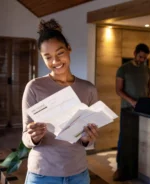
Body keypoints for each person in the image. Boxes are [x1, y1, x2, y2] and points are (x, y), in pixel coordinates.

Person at [22, 19, 99, 184]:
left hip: (78, 174)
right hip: (42, 174)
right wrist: (33, 137)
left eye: (60, 53)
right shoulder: (34, 87)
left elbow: (88, 140)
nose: (55, 61)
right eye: (48, 57)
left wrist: (88, 137)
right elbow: (26, 139)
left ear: (69, 49)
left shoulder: (88, 89)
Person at [113, 43, 150, 181]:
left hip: (143, 110)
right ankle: (120, 168)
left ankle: (138, 169)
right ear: (134, 53)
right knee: (124, 139)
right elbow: (118, 90)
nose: (142, 60)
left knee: (140, 139)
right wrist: (132, 101)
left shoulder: (149, 71)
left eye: (145, 58)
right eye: (140, 57)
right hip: (128, 109)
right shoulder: (123, 69)